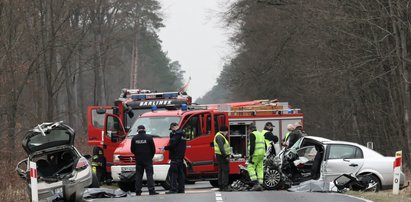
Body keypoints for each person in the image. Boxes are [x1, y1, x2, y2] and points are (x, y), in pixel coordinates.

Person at [130, 125, 159, 196]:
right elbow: (153, 149)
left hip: (138, 159)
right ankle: (151, 190)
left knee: (139, 175)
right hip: (148, 159)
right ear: (144, 129)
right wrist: (150, 157)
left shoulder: (134, 138)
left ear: (138, 130)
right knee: (149, 175)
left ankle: (138, 191)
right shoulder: (149, 137)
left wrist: (137, 155)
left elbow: (132, 149)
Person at [164, 122, 186, 194]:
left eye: (172, 129)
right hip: (180, 156)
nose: (172, 130)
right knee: (180, 174)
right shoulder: (183, 133)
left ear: (174, 127)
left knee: (172, 173)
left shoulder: (177, 134)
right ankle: (181, 189)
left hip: (175, 156)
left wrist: (165, 148)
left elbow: (173, 145)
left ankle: (173, 189)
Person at [213, 125, 232, 191]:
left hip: (220, 155)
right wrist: (226, 156)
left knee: (221, 171)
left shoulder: (219, 136)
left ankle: (221, 185)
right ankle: (224, 186)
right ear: (225, 131)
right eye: (227, 132)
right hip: (222, 156)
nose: (227, 133)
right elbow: (221, 148)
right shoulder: (220, 137)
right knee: (225, 171)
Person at [247, 125, 265, 191]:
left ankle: (255, 184)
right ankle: (261, 184)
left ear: (250, 129)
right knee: (259, 168)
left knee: (250, 167)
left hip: (255, 154)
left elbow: (252, 145)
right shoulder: (261, 134)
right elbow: (265, 145)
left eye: (248, 130)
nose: (248, 131)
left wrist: (250, 155)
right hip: (262, 154)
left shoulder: (252, 134)